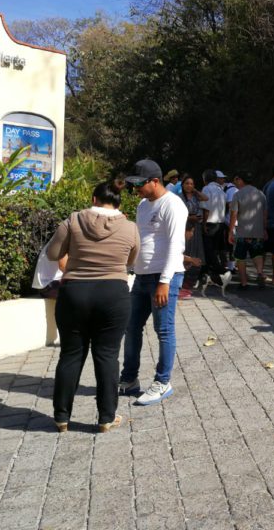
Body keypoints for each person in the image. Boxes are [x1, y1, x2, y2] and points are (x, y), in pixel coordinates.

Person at [46, 179, 140, 433]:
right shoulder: (130, 227)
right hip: (113, 294)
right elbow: (132, 259)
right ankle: (106, 418)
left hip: (75, 292)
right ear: (118, 203)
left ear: (94, 198)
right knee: (107, 355)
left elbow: (52, 254)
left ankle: (61, 417)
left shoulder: (73, 221)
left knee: (71, 354)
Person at [120, 160, 188, 405]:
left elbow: (175, 246)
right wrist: (129, 269)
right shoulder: (142, 205)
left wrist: (165, 281)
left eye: (139, 184)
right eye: (133, 184)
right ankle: (129, 379)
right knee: (131, 327)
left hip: (164, 277)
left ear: (155, 181)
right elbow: (141, 239)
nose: (135, 189)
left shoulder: (173, 205)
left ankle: (162, 381)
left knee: (164, 330)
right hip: (141, 276)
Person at [228, 171, 267, 290]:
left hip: (242, 232)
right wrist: (264, 229)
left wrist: (230, 231)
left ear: (242, 180)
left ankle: (244, 283)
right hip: (258, 231)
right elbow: (265, 214)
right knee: (257, 254)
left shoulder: (238, 195)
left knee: (240, 257)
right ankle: (260, 273)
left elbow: (234, 214)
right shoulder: (261, 194)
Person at [200, 169, 231, 295]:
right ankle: (208, 275)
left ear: (205, 179)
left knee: (209, 251)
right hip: (220, 224)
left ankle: (221, 271)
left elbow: (206, 209)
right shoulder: (221, 191)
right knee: (214, 250)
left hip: (210, 223)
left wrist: (203, 224)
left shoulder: (207, 189)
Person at [178, 174, 205, 294]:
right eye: (187, 183)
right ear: (182, 185)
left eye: (191, 184)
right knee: (185, 250)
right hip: (184, 226)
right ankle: (181, 282)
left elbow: (206, 198)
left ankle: (190, 282)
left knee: (196, 251)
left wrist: (195, 191)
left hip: (196, 226)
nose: (189, 186)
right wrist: (189, 218)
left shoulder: (196, 196)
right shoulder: (178, 197)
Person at [222, 171, 239, 273]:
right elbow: (230, 206)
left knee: (228, 245)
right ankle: (231, 267)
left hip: (227, 221)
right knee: (232, 245)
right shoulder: (233, 190)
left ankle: (229, 265)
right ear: (236, 179)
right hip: (231, 221)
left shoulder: (227, 188)